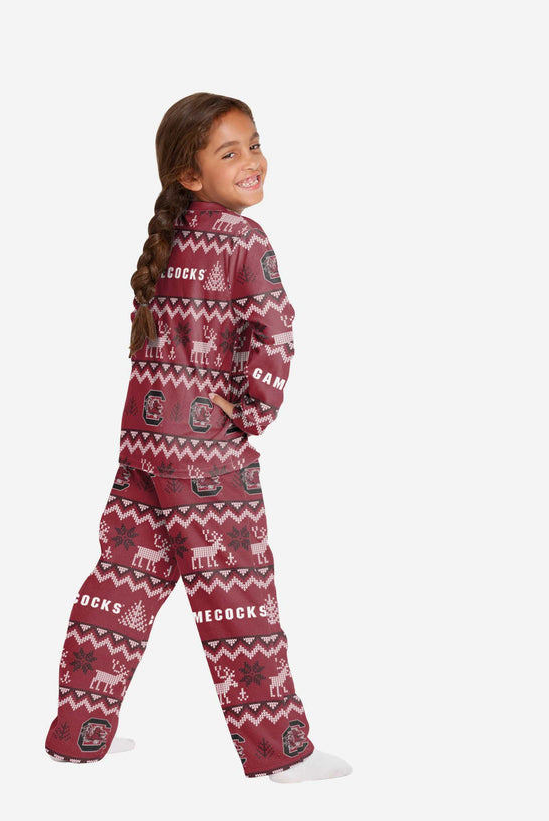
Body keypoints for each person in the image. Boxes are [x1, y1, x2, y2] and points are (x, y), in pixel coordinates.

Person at [44, 92, 352, 782]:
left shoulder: (169, 236)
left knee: (121, 582)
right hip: (205, 452)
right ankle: (280, 753)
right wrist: (252, 410)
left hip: (143, 441)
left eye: (254, 144)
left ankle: (76, 733)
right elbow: (275, 330)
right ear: (190, 174)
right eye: (229, 152)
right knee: (237, 594)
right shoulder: (244, 239)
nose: (252, 161)